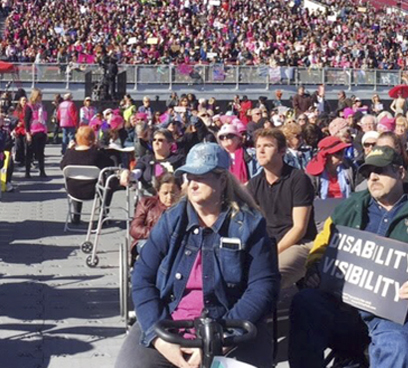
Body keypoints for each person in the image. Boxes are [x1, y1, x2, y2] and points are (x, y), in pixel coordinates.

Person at [115, 143, 279, 368]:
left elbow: (263, 287)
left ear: (222, 181)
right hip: (169, 323)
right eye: (188, 177)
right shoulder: (172, 220)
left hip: (231, 327)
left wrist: (220, 339)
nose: (191, 184)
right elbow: (143, 277)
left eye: (200, 177)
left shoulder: (249, 225)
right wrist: (158, 337)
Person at [289, 146, 408, 368]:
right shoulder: (350, 206)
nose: (372, 177)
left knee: (397, 344)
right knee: (305, 302)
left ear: (400, 173)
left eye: (380, 170)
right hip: (344, 306)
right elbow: (321, 247)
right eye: (368, 172)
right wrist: (315, 270)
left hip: (393, 316)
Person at [248, 128, 316, 289]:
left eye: (268, 146)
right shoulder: (254, 184)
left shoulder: (298, 179)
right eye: (258, 147)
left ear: (282, 151)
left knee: (269, 278)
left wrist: (272, 254)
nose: (261, 151)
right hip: (268, 246)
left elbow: (299, 228)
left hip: (300, 243)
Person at [60, 126, 115, 225]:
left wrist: (68, 150)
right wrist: (100, 149)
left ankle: (76, 215)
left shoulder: (70, 154)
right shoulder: (96, 154)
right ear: (92, 139)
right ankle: (103, 214)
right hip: (93, 191)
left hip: (73, 190)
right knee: (109, 184)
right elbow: (110, 163)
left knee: (76, 181)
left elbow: (62, 166)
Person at [129, 172, 180, 257]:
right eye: (165, 193)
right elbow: (135, 229)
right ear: (158, 192)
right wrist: (159, 233)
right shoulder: (146, 203)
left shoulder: (185, 207)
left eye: (173, 192)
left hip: (174, 244)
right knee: (150, 249)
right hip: (148, 241)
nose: (169, 197)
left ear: (179, 190)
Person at [24, 88, 48, 178]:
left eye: (41, 96)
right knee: (29, 153)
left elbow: (45, 119)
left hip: (41, 130)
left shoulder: (42, 106)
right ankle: (27, 172)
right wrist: (27, 133)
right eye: (39, 95)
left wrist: (45, 131)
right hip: (32, 131)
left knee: (41, 153)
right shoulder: (29, 106)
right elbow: (26, 120)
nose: (40, 97)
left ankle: (42, 171)